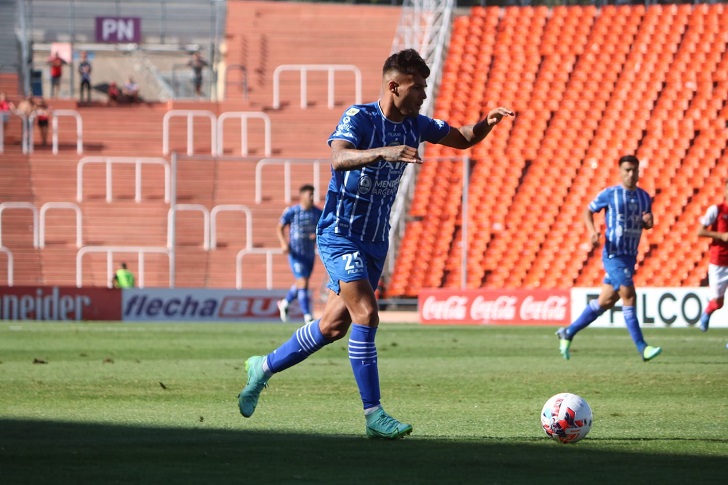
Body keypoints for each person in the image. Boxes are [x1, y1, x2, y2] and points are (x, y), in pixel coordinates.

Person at [238, 49, 514, 439]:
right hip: (340, 234)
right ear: (394, 85)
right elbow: (338, 158)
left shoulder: (417, 125)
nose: (424, 95)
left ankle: (262, 367)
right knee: (366, 314)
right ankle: (374, 415)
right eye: (418, 87)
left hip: (374, 242)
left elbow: (465, 138)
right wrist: (384, 152)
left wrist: (487, 123)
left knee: (333, 326)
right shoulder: (360, 117)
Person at [556, 155, 662, 362]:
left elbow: (647, 224)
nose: (631, 174)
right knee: (629, 295)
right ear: (620, 172)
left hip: (630, 257)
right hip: (613, 255)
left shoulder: (644, 197)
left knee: (605, 301)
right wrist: (592, 231)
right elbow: (588, 211)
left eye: (634, 170)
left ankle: (568, 332)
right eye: (627, 170)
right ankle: (643, 348)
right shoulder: (610, 194)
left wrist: (649, 221)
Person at [276, 184, 323, 325]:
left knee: (302, 282)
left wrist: (317, 235)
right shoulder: (293, 211)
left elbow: (323, 229)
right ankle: (307, 316)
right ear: (302, 196)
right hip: (296, 253)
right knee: (303, 281)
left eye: (313, 194)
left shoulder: (317, 212)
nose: (312, 197)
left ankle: (285, 302)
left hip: (309, 253)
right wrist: (283, 243)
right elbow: (279, 227)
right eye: (310, 195)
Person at [697, 179, 728, 332]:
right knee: (718, 302)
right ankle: (708, 311)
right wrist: (721, 236)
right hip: (719, 262)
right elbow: (700, 231)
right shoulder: (717, 210)